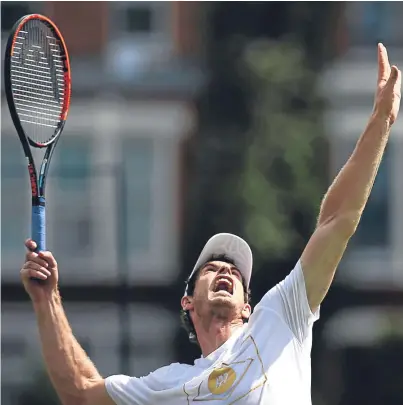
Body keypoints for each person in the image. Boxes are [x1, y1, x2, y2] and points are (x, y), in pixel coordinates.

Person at [21, 43, 401, 405]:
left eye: (235, 272)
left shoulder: (281, 316)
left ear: (248, 308)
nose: (226, 271)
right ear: (187, 301)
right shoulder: (170, 384)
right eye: (212, 268)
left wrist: (380, 122)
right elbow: (82, 393)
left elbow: (336, 220)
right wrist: (46, 299)